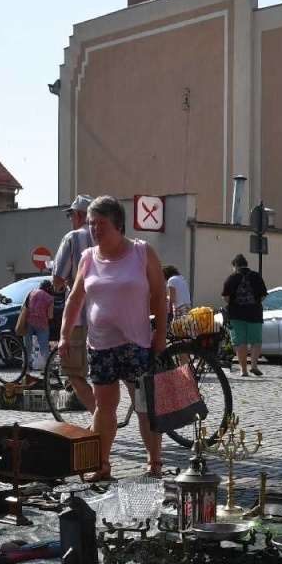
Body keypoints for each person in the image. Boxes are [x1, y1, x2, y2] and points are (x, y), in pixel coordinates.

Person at [58, 195, 168, 480]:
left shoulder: (142, 252)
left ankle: (154, 463)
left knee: (143, 405)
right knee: (104, 407)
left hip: (136, 343)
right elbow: (75, 299)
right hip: (101, 345)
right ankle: (102, 464)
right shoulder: (88, 258)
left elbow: (159, 296)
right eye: (92, 223)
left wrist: (161, 336)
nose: (95, 229)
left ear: (118, 224)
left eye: (101, 223)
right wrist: (64, 335)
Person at [50, 194, 96, 412]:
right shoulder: (107, 237)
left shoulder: (73, 238)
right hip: (108, 315)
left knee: (74, 373)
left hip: (80, 316)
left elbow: (58, 280)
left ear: (79, 216)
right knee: (112, 373)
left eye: (71, 215)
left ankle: (103, 419)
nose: (70, 220)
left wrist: (59, 284)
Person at [223, 255, 268, 377]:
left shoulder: (231, 278)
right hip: (255, 313)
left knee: (240, 342)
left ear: (235, 265)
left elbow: (226, 297)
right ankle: (254, 365)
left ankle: (243, 370)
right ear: (246, 264)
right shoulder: (256, 276)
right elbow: (264, 295)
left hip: (236, 314)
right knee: (256, 341)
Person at [22, 279, 55, 370]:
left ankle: (25, 366)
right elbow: (50, 315)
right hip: (42, 324)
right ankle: (47, 368)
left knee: (27, 344)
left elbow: (24, 306)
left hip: (29, 321)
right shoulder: (50, 298)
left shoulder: (32, 292)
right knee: (44, 346)